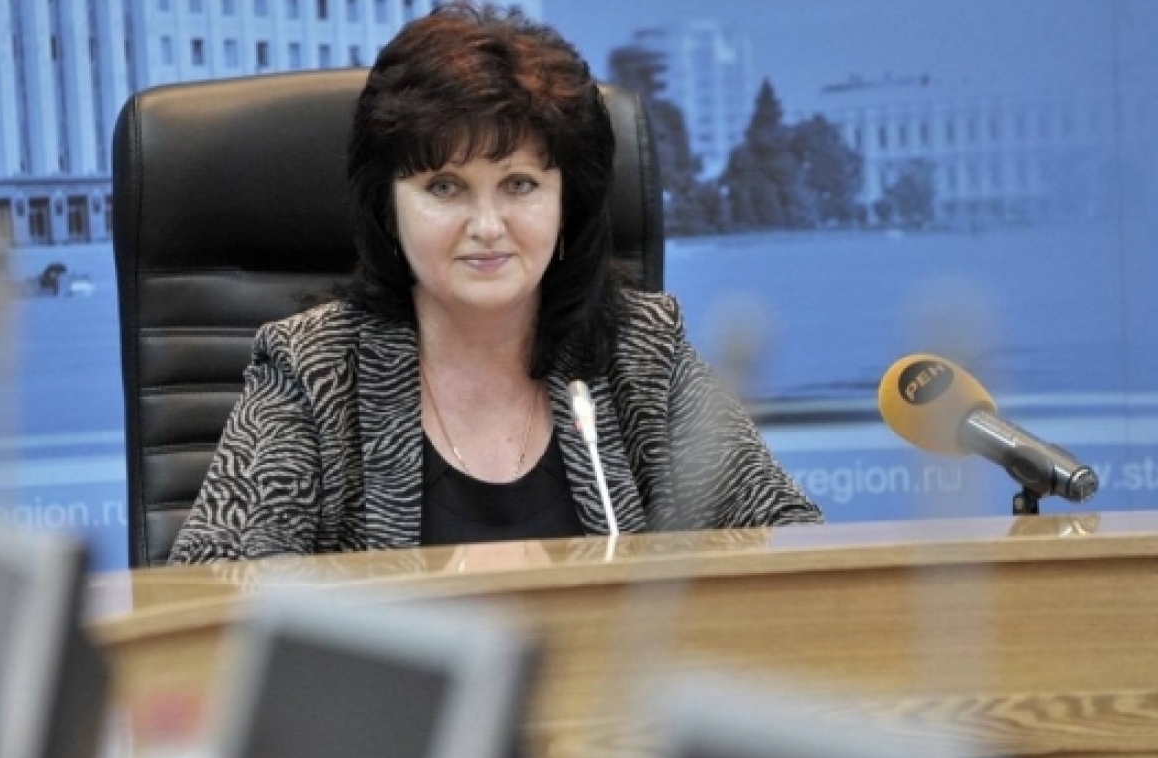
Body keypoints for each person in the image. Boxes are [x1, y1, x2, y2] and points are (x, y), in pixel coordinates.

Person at [168, 2, 821, 564]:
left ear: (568, 204)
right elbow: (214, 584)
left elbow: (790, 548)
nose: (486, 226)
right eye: (444, 188)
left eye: (520, 184)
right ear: (388, 209)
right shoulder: (314, 369)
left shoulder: (641, 353)